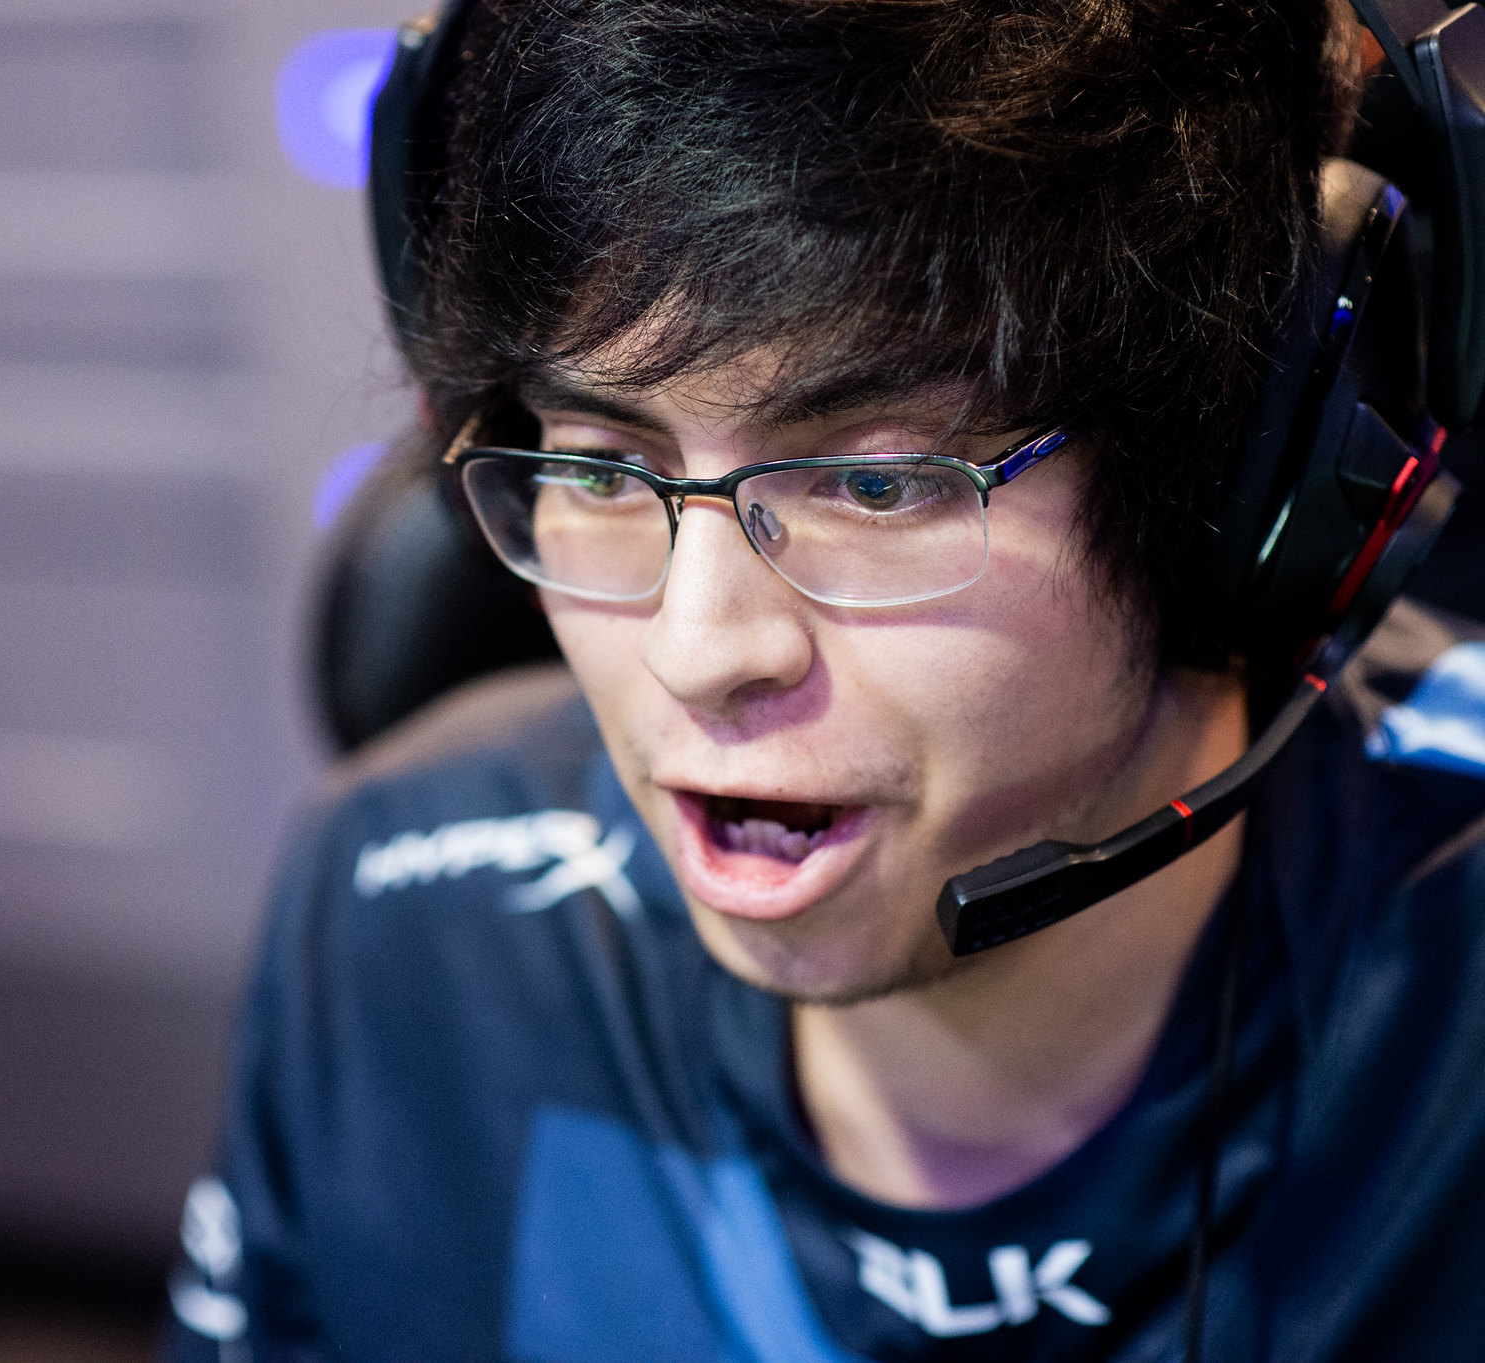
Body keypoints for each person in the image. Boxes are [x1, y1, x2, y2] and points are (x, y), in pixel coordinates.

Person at [169, 1, 1485, 1358]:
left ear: (1246, 491)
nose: (697, 653)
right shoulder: (400, 915)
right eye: (598, 470)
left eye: (875, 484)